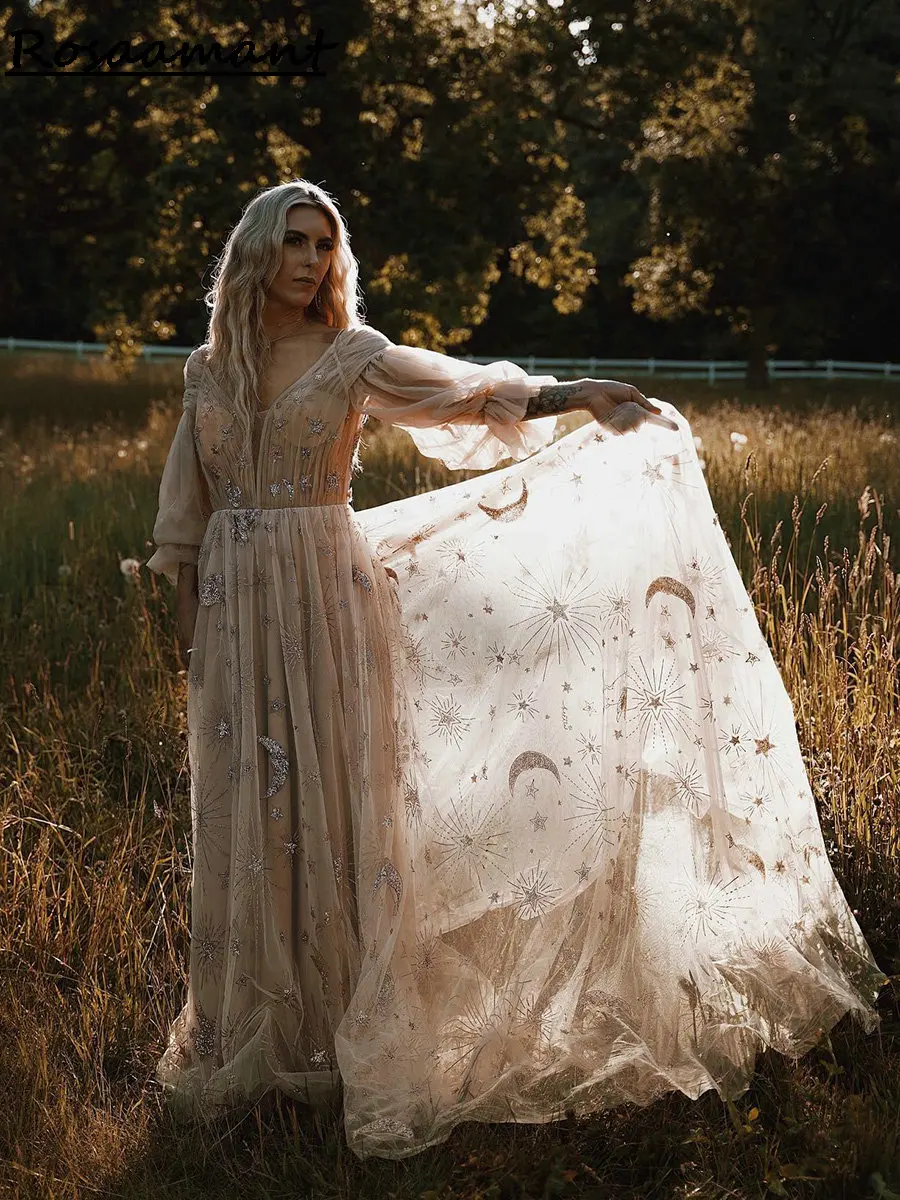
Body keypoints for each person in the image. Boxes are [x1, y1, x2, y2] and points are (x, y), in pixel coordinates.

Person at [146, 179, 887, 1160]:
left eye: (324, 244)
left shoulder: (352, 356)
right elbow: (181, 520)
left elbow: (465, 391)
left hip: (325, 603)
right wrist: (182, 615)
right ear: (252, 251)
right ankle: (255, 1033)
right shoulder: (209, 372)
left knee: (335, 812)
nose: (310, 260)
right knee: (248, 813)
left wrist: (573, 395)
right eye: (292, 241)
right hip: (236, 615)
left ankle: (333, 1037)